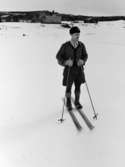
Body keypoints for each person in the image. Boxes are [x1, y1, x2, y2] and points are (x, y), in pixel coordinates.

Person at [56, 26, 88, 111]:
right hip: (69, 71)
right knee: (68, 88)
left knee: (78, 87)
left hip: (79, 71)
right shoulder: (65, 46)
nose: (77, 36)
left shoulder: (81, 45)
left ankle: (77, 102)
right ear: (71, 35)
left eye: (78, 34)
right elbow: (58, 56)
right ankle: (69, 102)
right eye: (75, 34)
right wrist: (65, 62)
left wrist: (83, 61)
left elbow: (85, 55)